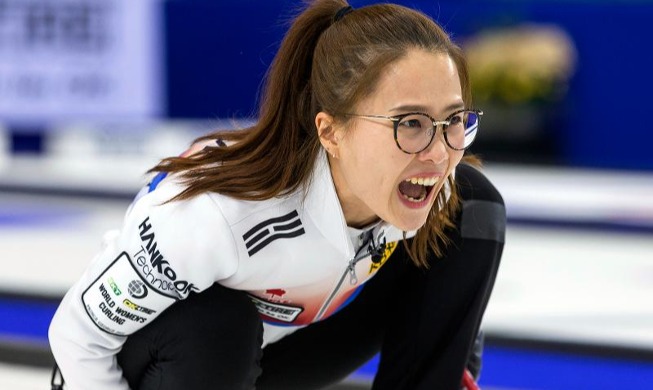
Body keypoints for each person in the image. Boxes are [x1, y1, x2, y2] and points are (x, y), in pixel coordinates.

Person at [48, 1, 505, 389]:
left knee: (473, 202)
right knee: (221, 326)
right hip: (167, 361)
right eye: (411, 124)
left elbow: (452, 300)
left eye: (453, 122)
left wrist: (454, 362)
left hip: (277, 351)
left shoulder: (426, 184)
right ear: (330, 132)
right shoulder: (215, 217)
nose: (439, 153)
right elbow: (77, 336)